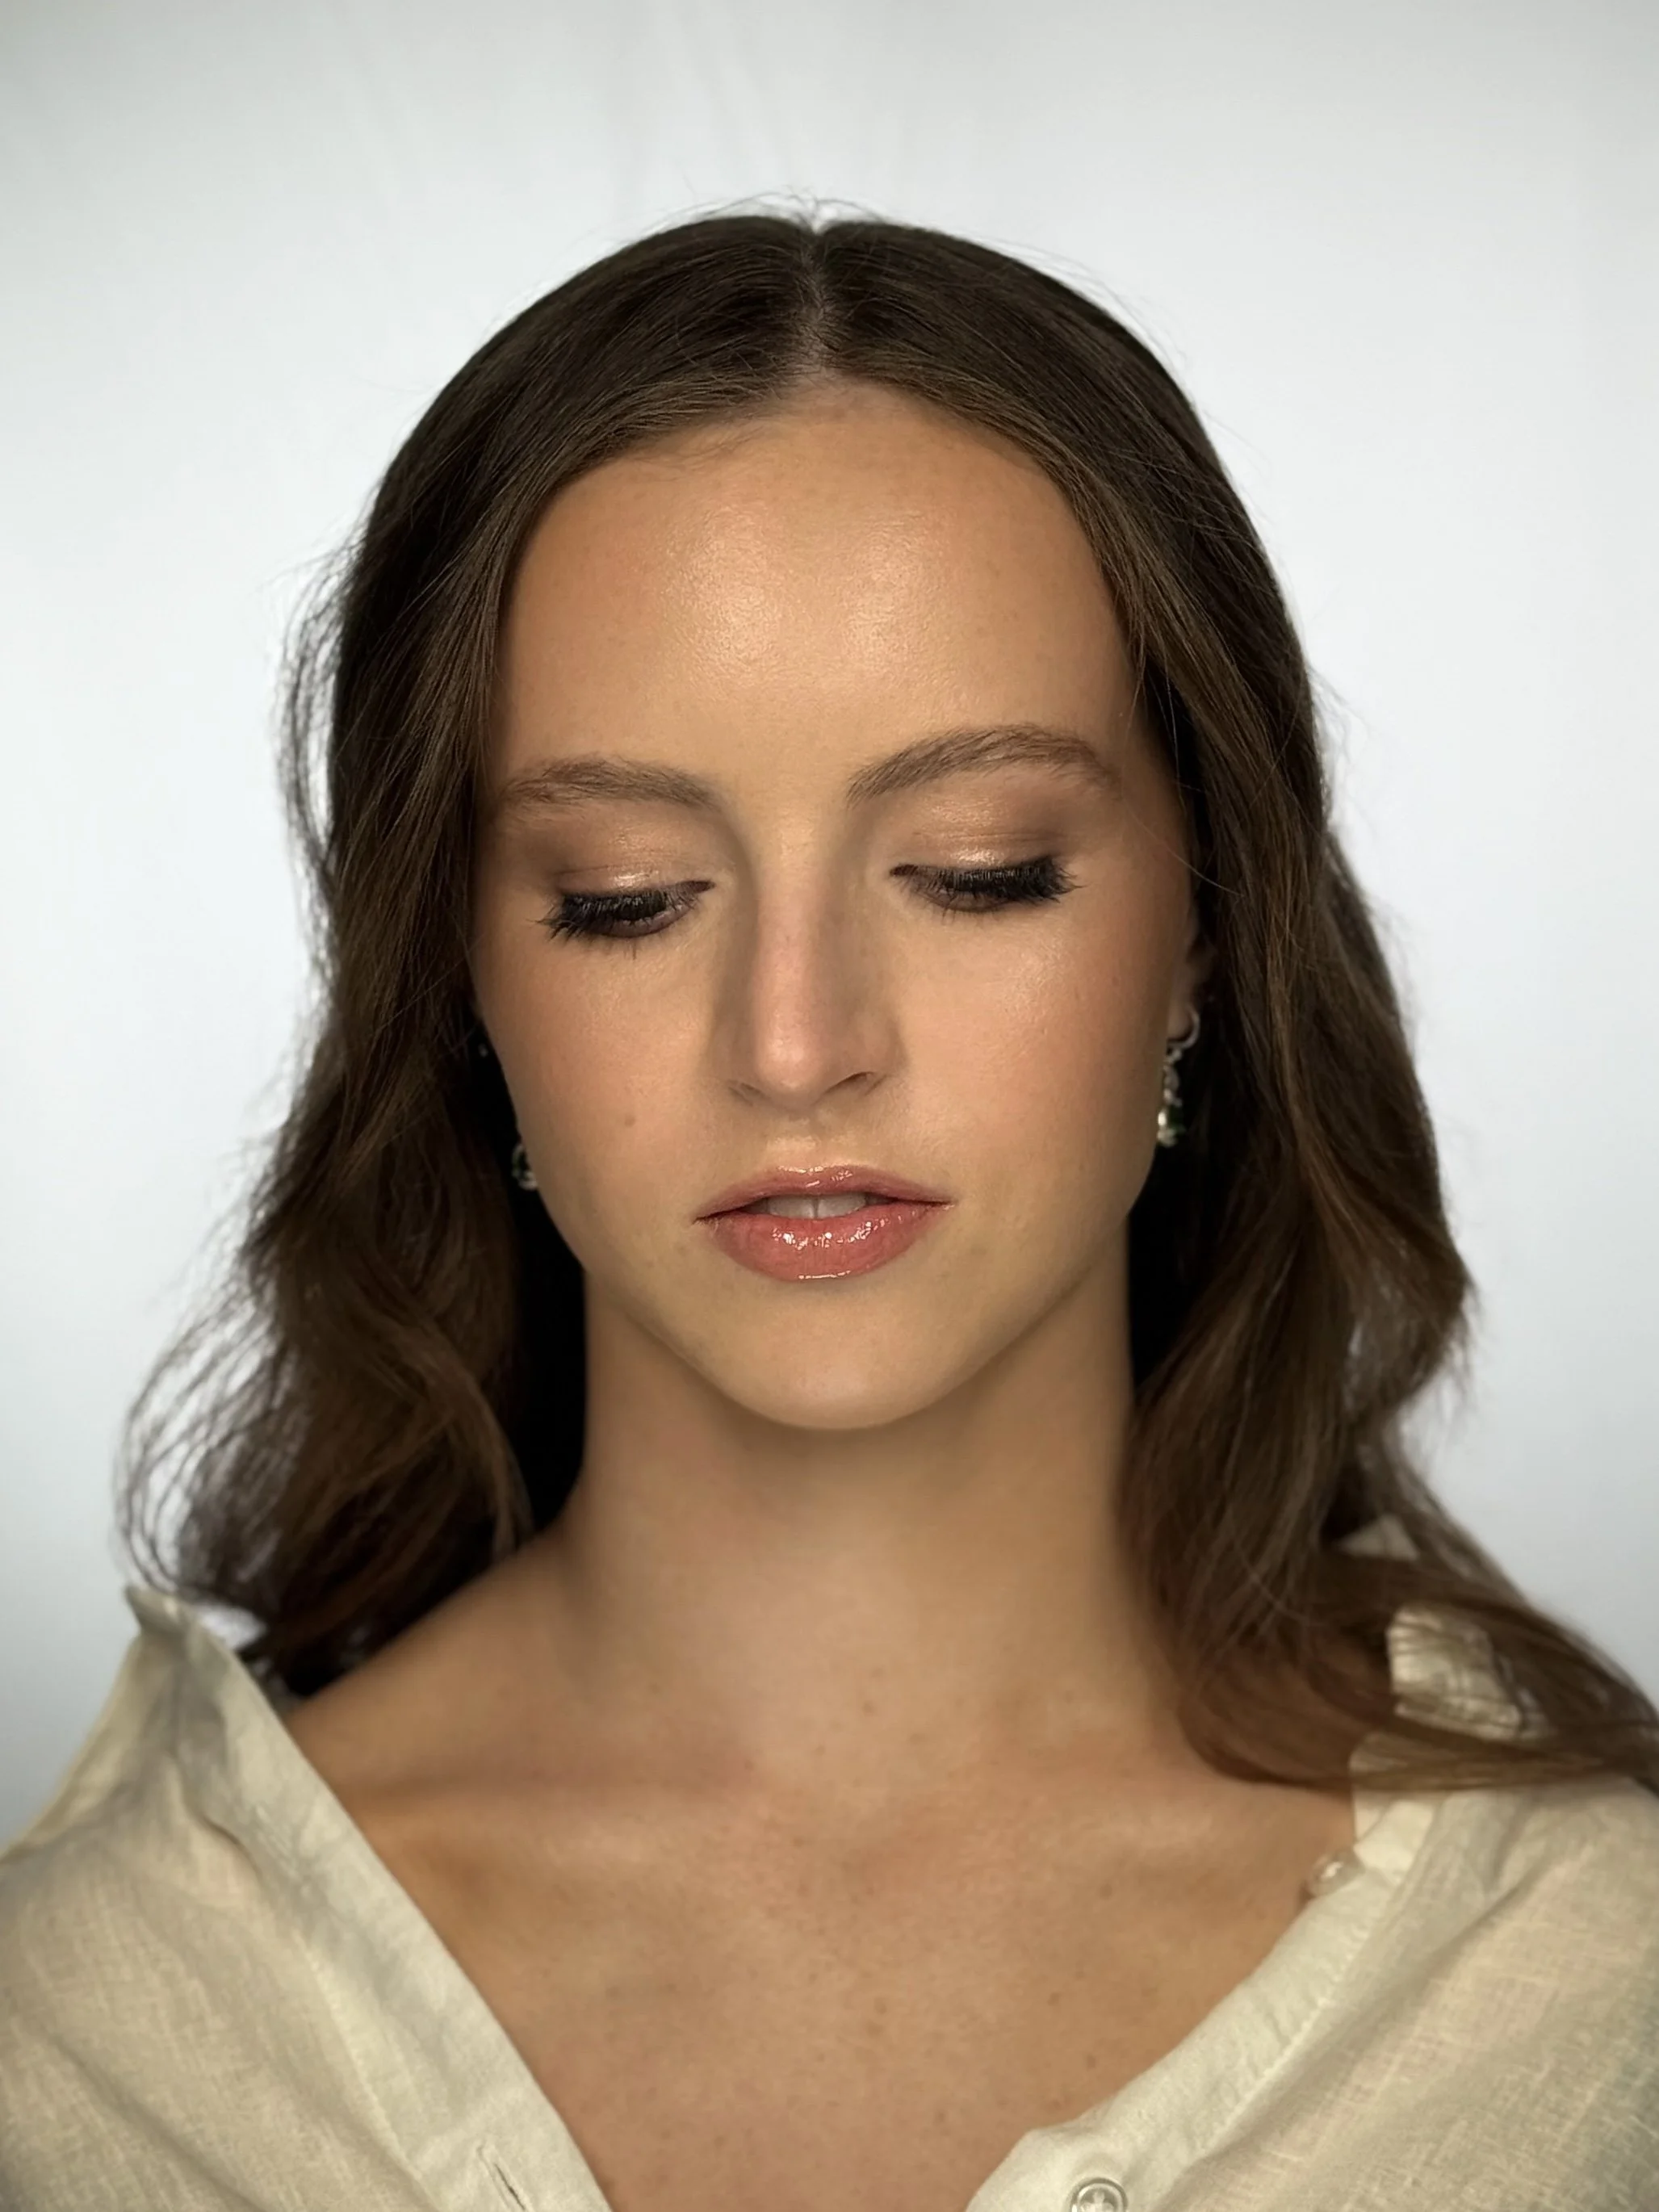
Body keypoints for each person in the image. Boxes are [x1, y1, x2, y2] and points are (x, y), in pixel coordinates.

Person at [2, 210, 1655, 2212]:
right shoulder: (86, 2029)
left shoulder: (1590, 1979)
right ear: (460, 979)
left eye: (976, 868)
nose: (794, 1045)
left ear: (1207, 927)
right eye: (623, 893)